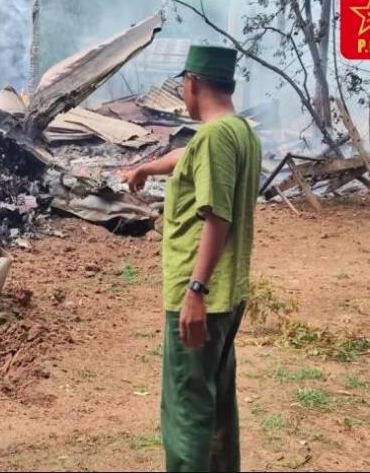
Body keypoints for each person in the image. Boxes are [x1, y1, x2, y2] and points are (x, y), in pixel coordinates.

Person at [120, 45, 262, 472]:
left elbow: (217, 218)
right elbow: (189, 156)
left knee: (186, 412)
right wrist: (146, 169)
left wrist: (195, 290)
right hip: (227, 295)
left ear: (192, 83)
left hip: (201, 296)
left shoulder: (215, 138)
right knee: (215, 409)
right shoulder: (238, 131)